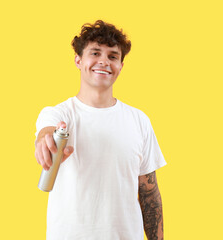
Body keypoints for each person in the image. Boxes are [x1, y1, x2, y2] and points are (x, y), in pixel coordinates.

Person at [35, 20, 167, 240]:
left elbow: (149, 192)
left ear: (121, 66)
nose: (104, 61)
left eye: (113, 56)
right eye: (95, 53)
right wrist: (46, 140)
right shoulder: (59, 114)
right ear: (78, 60)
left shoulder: (139, 120)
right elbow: (46, 131)